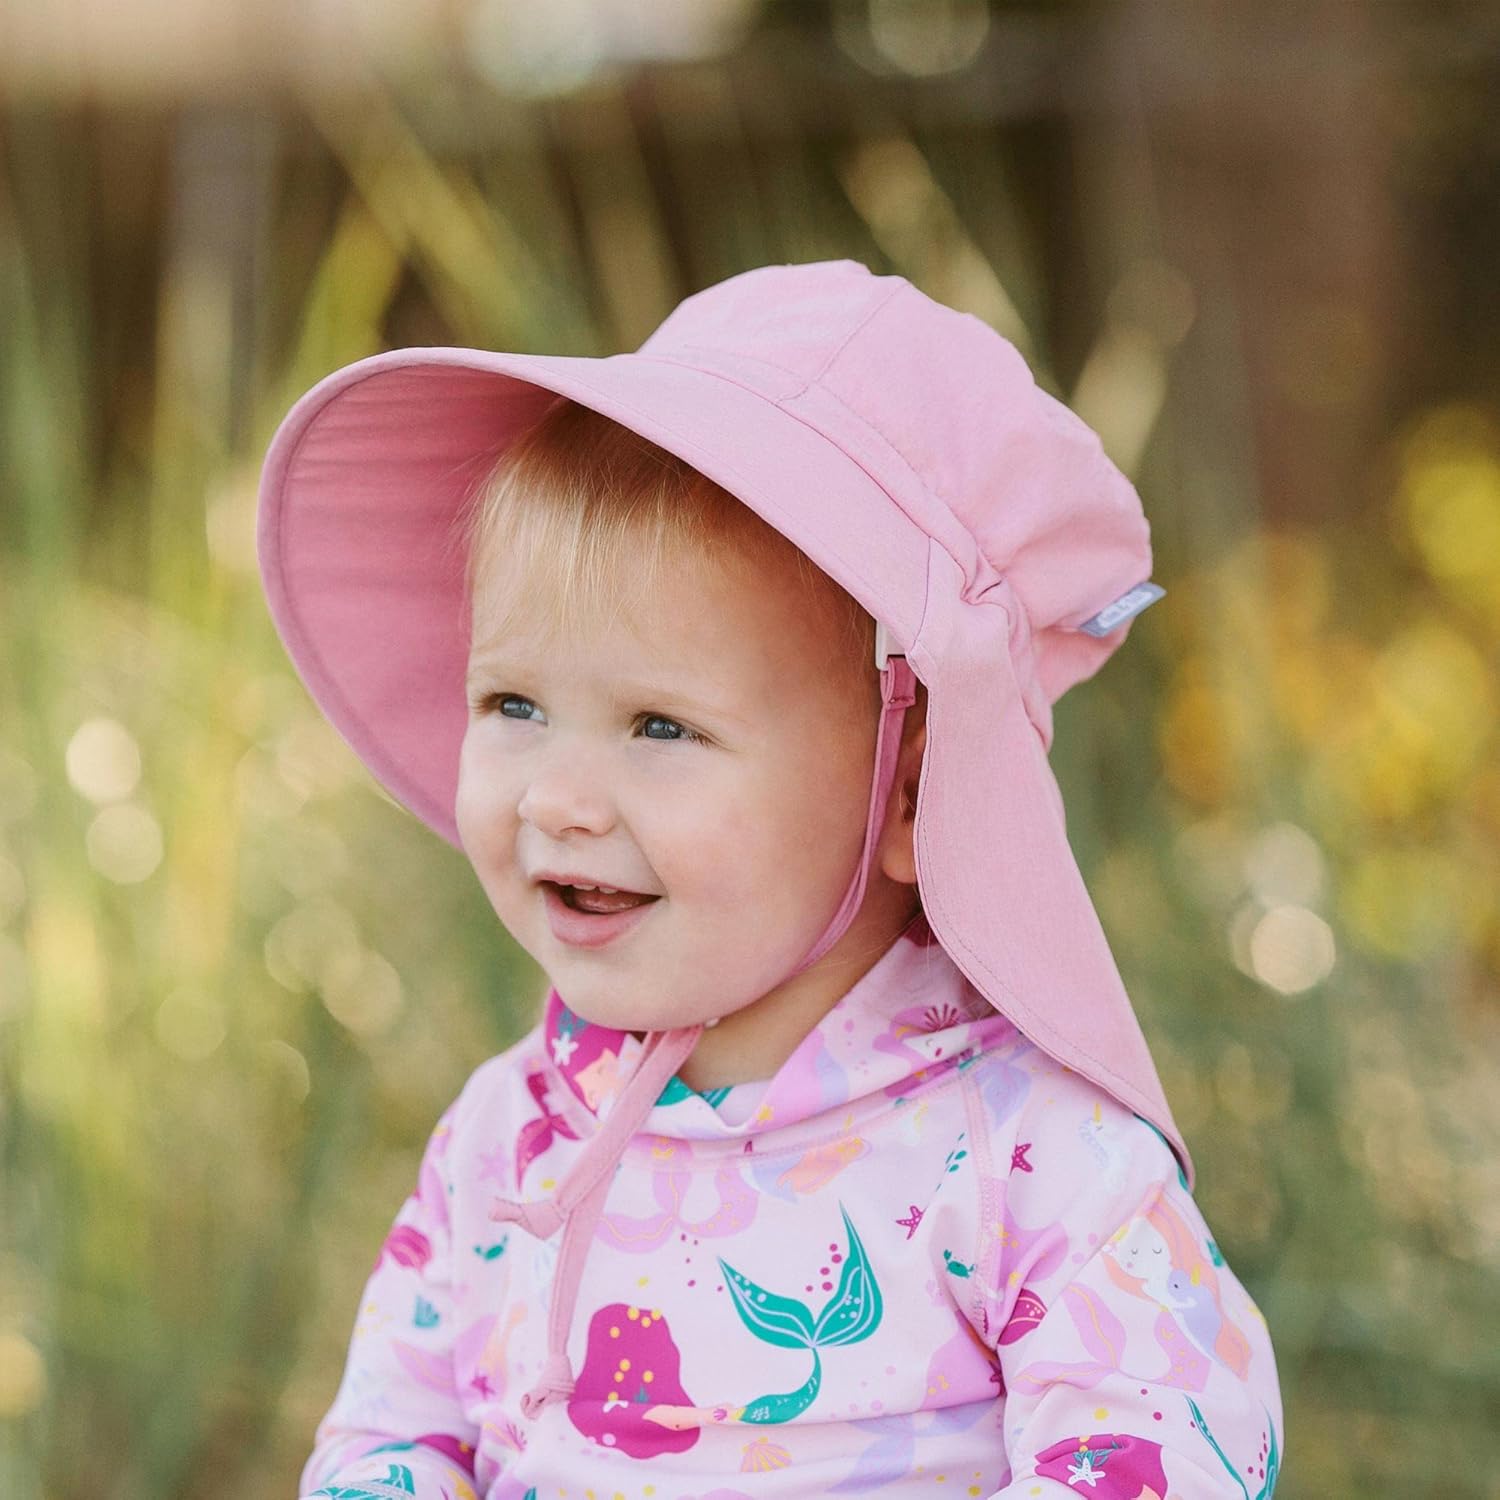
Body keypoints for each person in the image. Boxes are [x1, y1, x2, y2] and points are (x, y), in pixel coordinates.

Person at [257, 259, 1282, 1499]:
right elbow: (388, 1437)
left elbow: (1156, 1455)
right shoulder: (507, 1136)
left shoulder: (1029, 1156)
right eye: (513, 703)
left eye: (660, 728)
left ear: (909, 788)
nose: (559, 799)